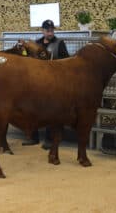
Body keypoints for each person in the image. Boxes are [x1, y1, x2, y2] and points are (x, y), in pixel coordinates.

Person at [22, 19, 70, 149]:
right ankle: (33, 137)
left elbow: (66, 60)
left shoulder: (59, 43)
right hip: (36, 82)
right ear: (42, 31)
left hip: (53, 82)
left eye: (52, 30)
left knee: (50, 112)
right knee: (33, 110)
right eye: (47, 30)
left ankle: (50, 139)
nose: (50, 32)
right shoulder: (36, 44)